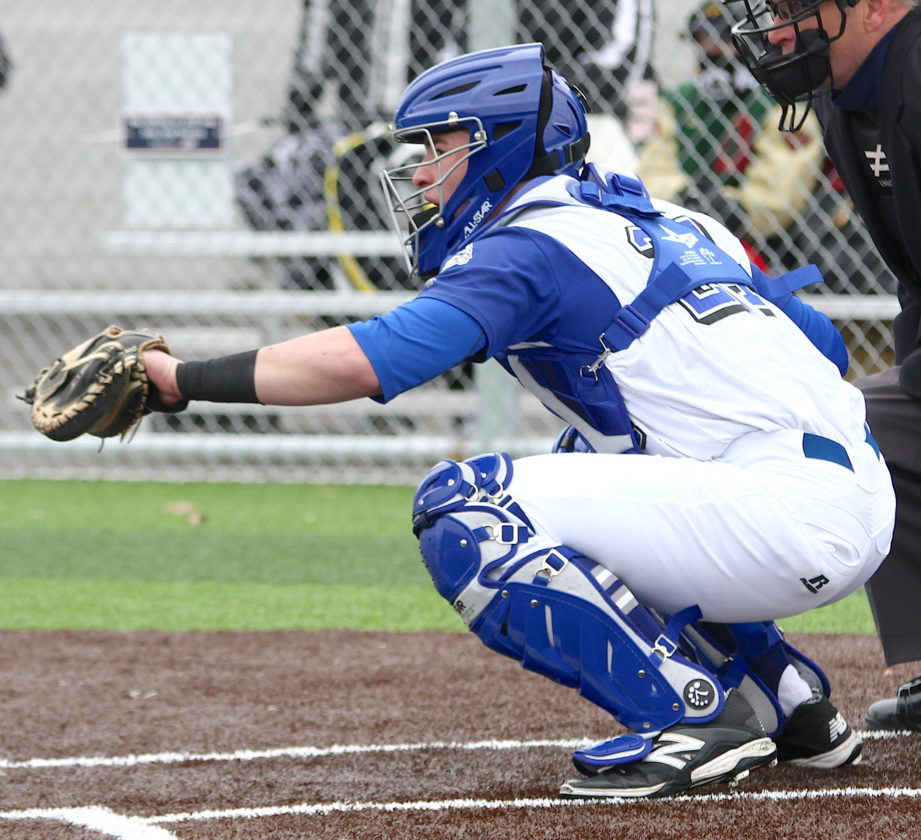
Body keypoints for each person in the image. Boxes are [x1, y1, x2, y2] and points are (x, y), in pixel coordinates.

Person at [140, 44, 894, 798]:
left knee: (464, 510)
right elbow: (822, 346)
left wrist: (181, 381)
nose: (424, 173)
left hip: (781, 517)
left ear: (500, 146)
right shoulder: (672, 217)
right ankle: (789, 704)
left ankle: (691, 716)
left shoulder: (527, 243)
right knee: (592, 451)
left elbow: (371, 361)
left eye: (441, 146)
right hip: (850, 493)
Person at [727, 0, 921, 730]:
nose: (779, 33)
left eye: (794, 10)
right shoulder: (849, 101)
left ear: (873, 8)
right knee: (863, 421)